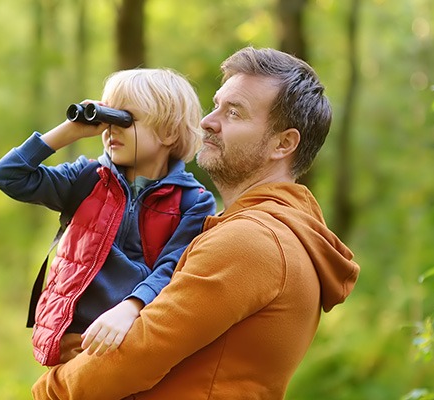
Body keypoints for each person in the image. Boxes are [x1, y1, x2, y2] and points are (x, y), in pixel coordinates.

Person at [32, 47, 361, 399]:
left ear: (283, 144)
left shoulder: (251, 241)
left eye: (234, 113)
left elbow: (139, 352)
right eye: (217, 105)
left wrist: (48, 391)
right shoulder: (277, 231)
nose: (207, 121)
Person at [0, 68, 216, 367]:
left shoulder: (193, 201)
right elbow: (8, 176)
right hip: (74, 342)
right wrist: (70, 130)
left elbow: (174, 268)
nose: (109, 129)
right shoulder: (87, 178)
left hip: (136, 338)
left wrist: (131, 307)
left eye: (124, 119)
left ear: (169, 132)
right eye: (105, 118)